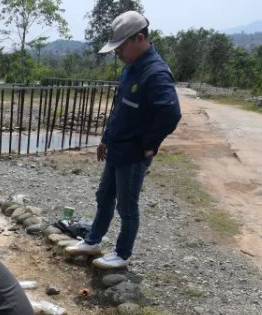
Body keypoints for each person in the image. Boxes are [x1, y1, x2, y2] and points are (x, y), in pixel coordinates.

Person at [67, 11, 182, 269]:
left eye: (120, 48)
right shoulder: (130, 69)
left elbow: (171, 114)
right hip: (117, 148)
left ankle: (122, 254)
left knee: (127, 206)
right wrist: (106, 138)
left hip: (134, 153)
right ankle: (93, 240)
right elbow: (120, 109)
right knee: (104, 195)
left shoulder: (155, 73)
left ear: (139, 38)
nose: (117, 54)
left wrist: (149, 144)